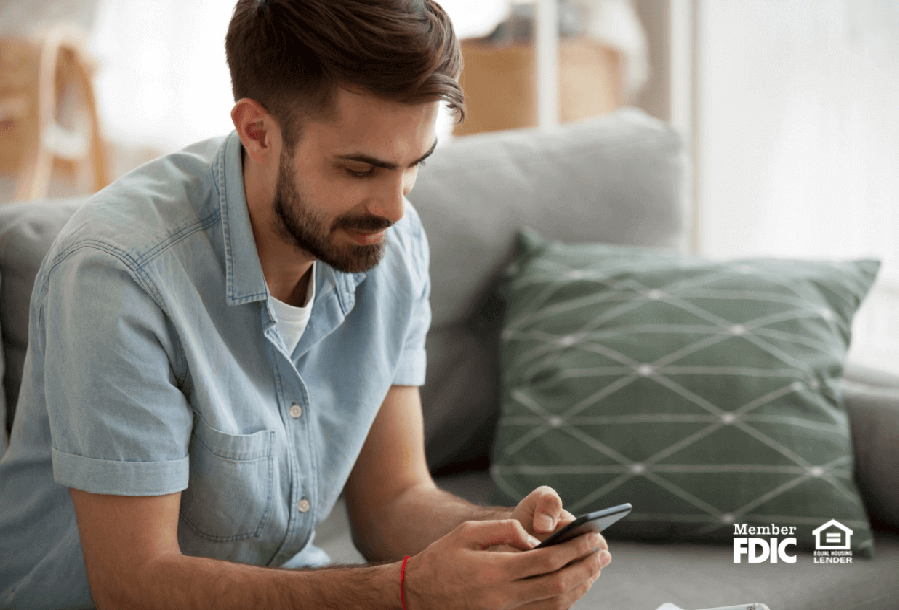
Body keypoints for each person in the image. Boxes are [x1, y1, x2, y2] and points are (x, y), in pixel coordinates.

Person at [0, 1, 612, 608]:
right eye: (360, 168)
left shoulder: (390, 244)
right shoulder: (120, 275)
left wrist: (510, 544)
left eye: (413, 165)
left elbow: (393, 503)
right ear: (257, 132)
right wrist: (409, 591)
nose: (394, 207)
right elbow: (135, 586)